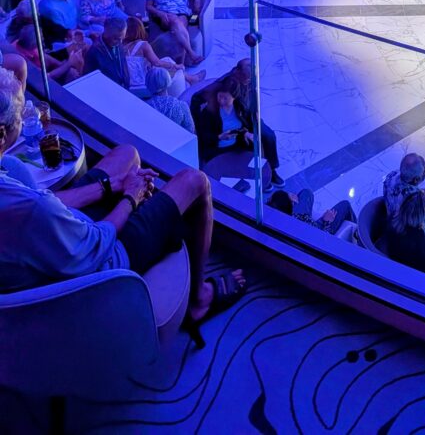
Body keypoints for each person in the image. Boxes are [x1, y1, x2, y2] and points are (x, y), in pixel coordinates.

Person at [0, 67, 246, 341]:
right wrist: (131, 197)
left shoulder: (10, 174)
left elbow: (49, 205)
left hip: (54, 234)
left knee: (127, 155)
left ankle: (154, 219)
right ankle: (198, 300)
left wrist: (111, 185)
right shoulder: (29, 205)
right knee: (195, 181)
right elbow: (95, 239)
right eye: (20, 119)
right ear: (1, 135)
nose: (24, 121)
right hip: (98, 260)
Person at [145, 0, 204, 67]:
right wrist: (159, 13)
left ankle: (181, 66)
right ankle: (191, 53)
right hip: (164, 15)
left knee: (180, 26)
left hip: (183, 13)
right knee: (175, 20)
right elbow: (148, 6)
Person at [83, 16, 131, 88]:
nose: (120, 42)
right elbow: (88, 79)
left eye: (122, 38)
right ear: (106, 32)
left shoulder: (118, 42)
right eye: (116, 39)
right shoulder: (94, 51)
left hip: (123, 90)